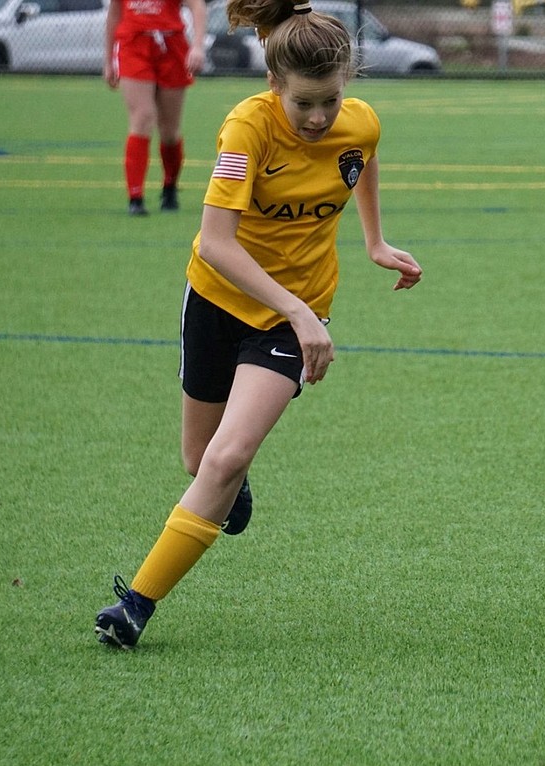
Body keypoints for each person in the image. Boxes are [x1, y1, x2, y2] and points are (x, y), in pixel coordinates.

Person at [94, 0, 423, 649]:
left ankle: (136, 603)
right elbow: (215, 242)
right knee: (201, 460)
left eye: (329, 100)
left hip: (291, 320)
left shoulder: (358, 124)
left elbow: (360, 159)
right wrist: (299, 310)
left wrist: (374, 242)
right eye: (304, 103)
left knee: (226, 455)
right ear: (275, 85)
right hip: (217, 299)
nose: (318, 116)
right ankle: (224, 489)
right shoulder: (246, 128)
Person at [104, 0, 208, 216]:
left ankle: (169, 188)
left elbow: (197, 6)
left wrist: (197, 46)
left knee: (169, 131)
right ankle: (135, 197)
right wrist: (108, 61)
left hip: (171, 45)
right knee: (142, 118)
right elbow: (114, 16)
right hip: (134, 45)